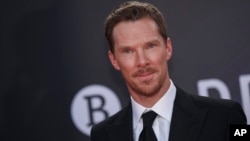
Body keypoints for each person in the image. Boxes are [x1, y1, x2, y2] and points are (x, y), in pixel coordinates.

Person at [90, 1, 247, 141]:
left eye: (150, 46)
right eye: (128, 51)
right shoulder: (102, 135)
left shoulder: (225, 117)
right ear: (114, 60)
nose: (142, 61)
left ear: (168, 48)